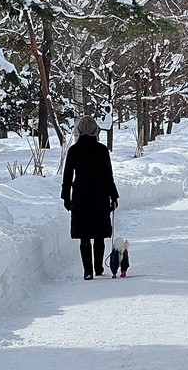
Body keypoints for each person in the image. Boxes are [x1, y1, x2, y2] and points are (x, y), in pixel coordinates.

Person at [61, 116, 119, 280]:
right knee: (99, 233)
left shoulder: (73, 151)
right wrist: (113, 195)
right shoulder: (101, 150)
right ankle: (99, 268)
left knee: (84, 235)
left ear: (78, 131)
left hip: (80, 195)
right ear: (96, 131)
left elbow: (67, 177)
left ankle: (87, 271)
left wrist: (66, 197)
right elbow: (108, 176)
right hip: (100, 195)